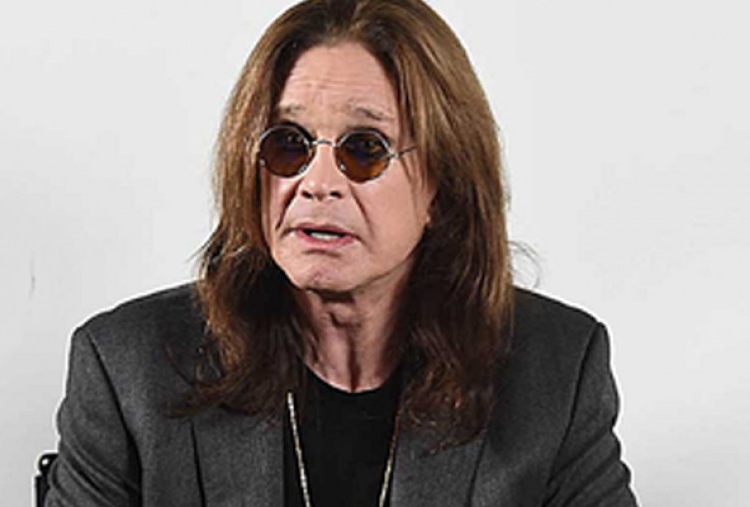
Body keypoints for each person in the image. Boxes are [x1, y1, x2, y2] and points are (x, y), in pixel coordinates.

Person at [45, 0, 638, 505]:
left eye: (365, 148)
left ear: (442, 186)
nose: (317, 183)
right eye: (288, 144)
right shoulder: (128, 368)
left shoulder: (556, 372)